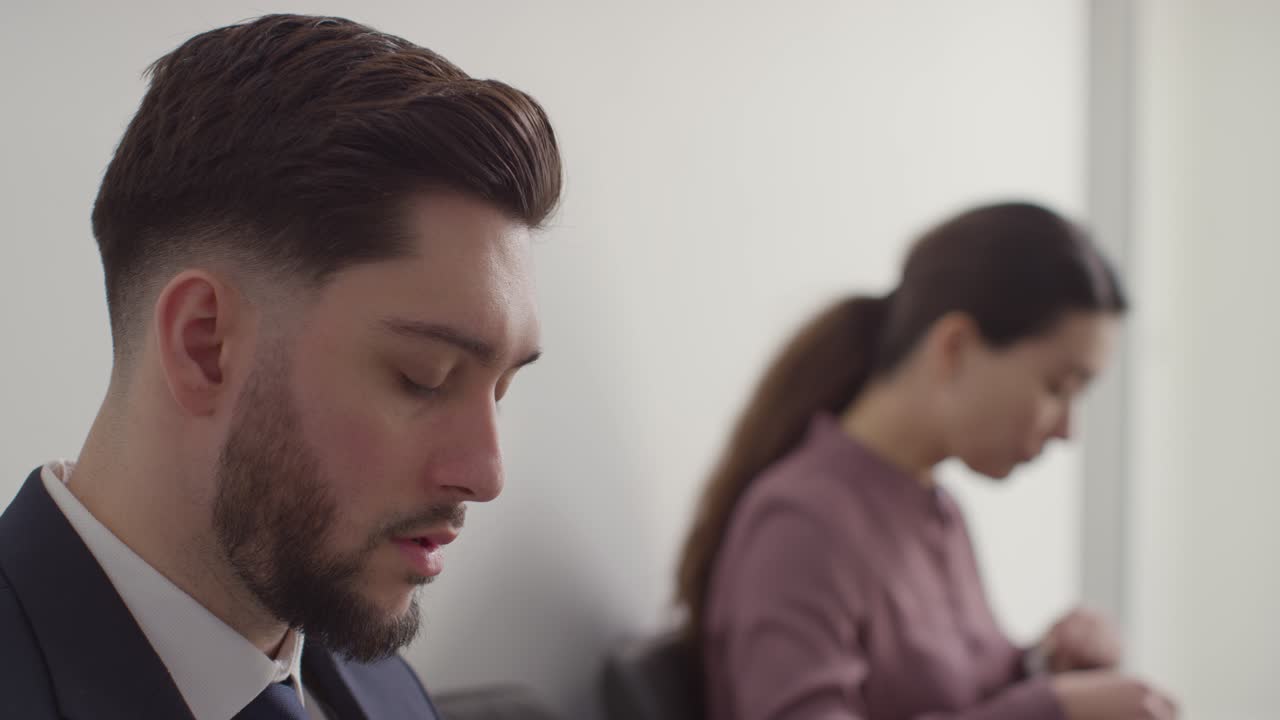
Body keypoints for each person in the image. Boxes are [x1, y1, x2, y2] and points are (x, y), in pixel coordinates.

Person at [0, 14, 560, 720]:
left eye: (501, 390)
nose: (487, 475)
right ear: (204, 344)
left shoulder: (382, 687)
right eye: (424, 377)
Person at [675, 203, 1178, 720]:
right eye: (1057, 387)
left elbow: (959, 695)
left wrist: (1043, 665)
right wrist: (1050, 711)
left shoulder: (936, 511)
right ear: (954, 347)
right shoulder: (801, 524)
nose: (1068, 430)